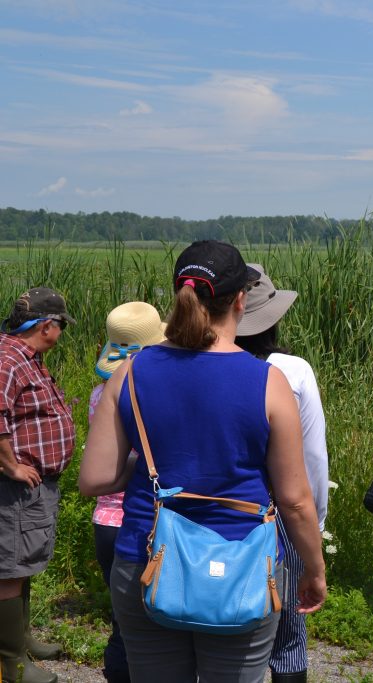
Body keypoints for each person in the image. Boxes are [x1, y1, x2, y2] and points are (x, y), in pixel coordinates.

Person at [79, 240, 327, 683]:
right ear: (240, 300)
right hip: (242, 565)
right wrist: (314, 568)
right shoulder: (269, 383)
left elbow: (96, 478)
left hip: (146, 560)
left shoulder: (129, 373)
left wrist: (153, 467)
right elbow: (294, 500)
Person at [236, 264, 328, 683]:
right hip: (275, 520)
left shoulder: (188, 363)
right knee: (288, 640)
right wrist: (314, 528)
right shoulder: (293, 371)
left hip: (206, 514)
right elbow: (312, 461)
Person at [0, 287, 76, 683]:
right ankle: (11, 664)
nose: (61, 332)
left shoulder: (25, 357)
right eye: (61, 325)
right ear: (47, 325)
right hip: (13, 490)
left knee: (22, 563)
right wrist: (11, 466)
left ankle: (23, 640)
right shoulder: (8, 360)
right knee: (9, 569)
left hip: (34, 487)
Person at [89, 301, 166, 683]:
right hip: (143, 520)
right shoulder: (154, 395)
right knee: (158, 623)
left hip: (105, 519)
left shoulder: (99, 394)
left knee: (123, 623)